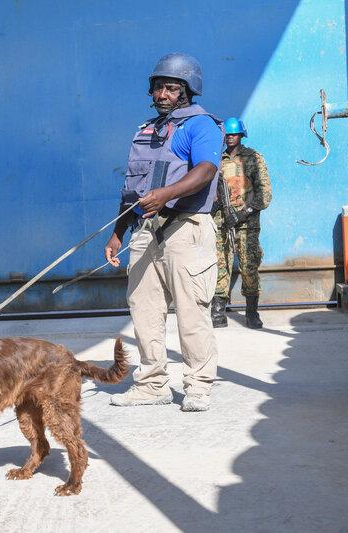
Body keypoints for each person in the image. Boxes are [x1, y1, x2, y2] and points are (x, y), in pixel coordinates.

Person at [104, 53, 224, 412]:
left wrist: (166, 195)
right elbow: (131, 189)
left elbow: (205, 171)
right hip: (144, 230)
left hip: (186, 228)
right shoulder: (146, 131)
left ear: (188, 91)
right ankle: (152, 383)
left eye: (172, 87)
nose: (163, 94)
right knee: (143, 308)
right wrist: (118, 232)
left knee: (191, 310)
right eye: (158, 87)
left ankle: (198, 385)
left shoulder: (200, 126)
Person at [211, 118, 272, 329]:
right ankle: (218, 310)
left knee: (249, 266)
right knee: (220, 265)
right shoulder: (216, 160)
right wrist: (216, 205)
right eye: (227, 134)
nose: (229, 137)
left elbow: (265, 195)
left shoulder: (253, 158)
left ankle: (252, 312)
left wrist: (242, 214)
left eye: (233, 134)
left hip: (247, 223)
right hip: (221, 222)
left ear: (241, 136)